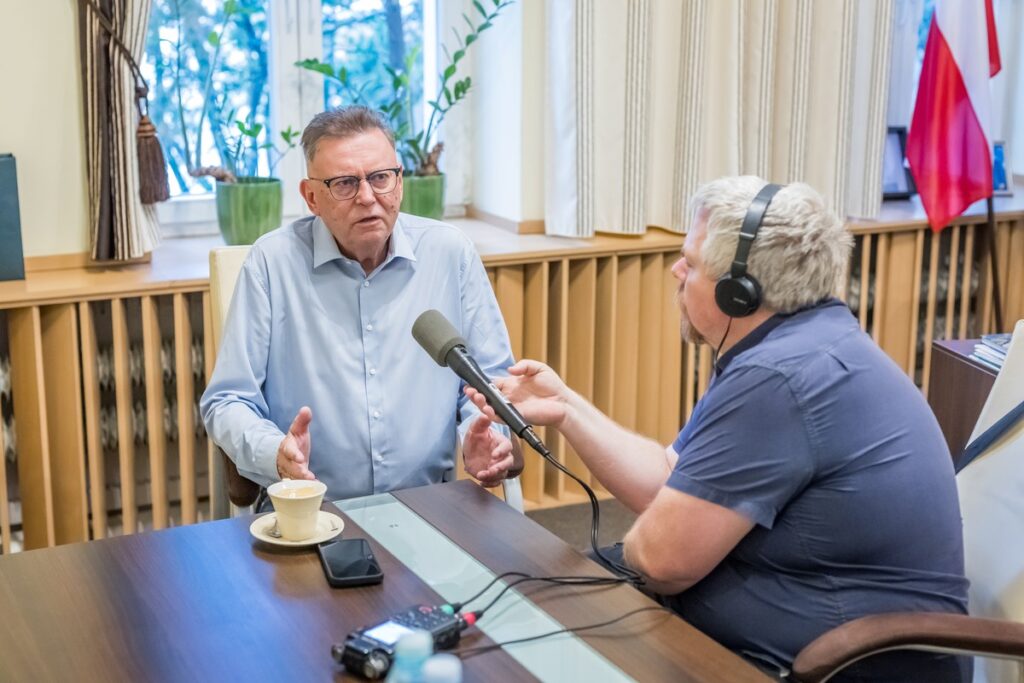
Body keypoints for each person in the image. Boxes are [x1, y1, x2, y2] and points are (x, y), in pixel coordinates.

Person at [466, 176, 970, 680]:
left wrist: (658, 532)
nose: (675, 270)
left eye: (692, 262)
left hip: (840, 664)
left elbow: (661, 559)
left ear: (739, 293)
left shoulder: (779, 378)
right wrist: (568, 409)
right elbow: (674, 475)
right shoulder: (794, 341)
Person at [201, 105, 521, 503]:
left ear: (400, 182)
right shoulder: (271, 264)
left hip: (430, 507)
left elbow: (489, 379)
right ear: (311, 197)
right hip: (309, 511)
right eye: (345, 184)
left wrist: (484, 432)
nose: (368, 197)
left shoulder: (450, 253)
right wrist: (276, 455)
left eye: (380, 178)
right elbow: (227, 400)